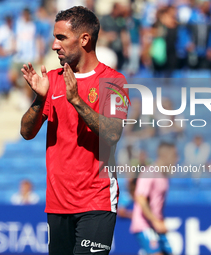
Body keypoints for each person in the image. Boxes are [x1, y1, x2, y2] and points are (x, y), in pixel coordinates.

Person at [20, 6, 128, 255]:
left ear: (84, 39)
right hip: (57, 204)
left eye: (61, 38)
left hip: (96, 202)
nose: (54, 46)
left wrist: (77, 100)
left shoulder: (113, 81)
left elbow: (113, 133)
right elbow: (26, 132)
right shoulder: (54, 79)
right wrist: (39, 100)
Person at [130, 142, 175, 255]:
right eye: (174, 155)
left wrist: (160, 221)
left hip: (155, 225)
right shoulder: (149, 172)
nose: (177, 159)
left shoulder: (163, 175)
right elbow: (140, 198)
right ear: (165, 155)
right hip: (145, 224)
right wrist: (155, 221)